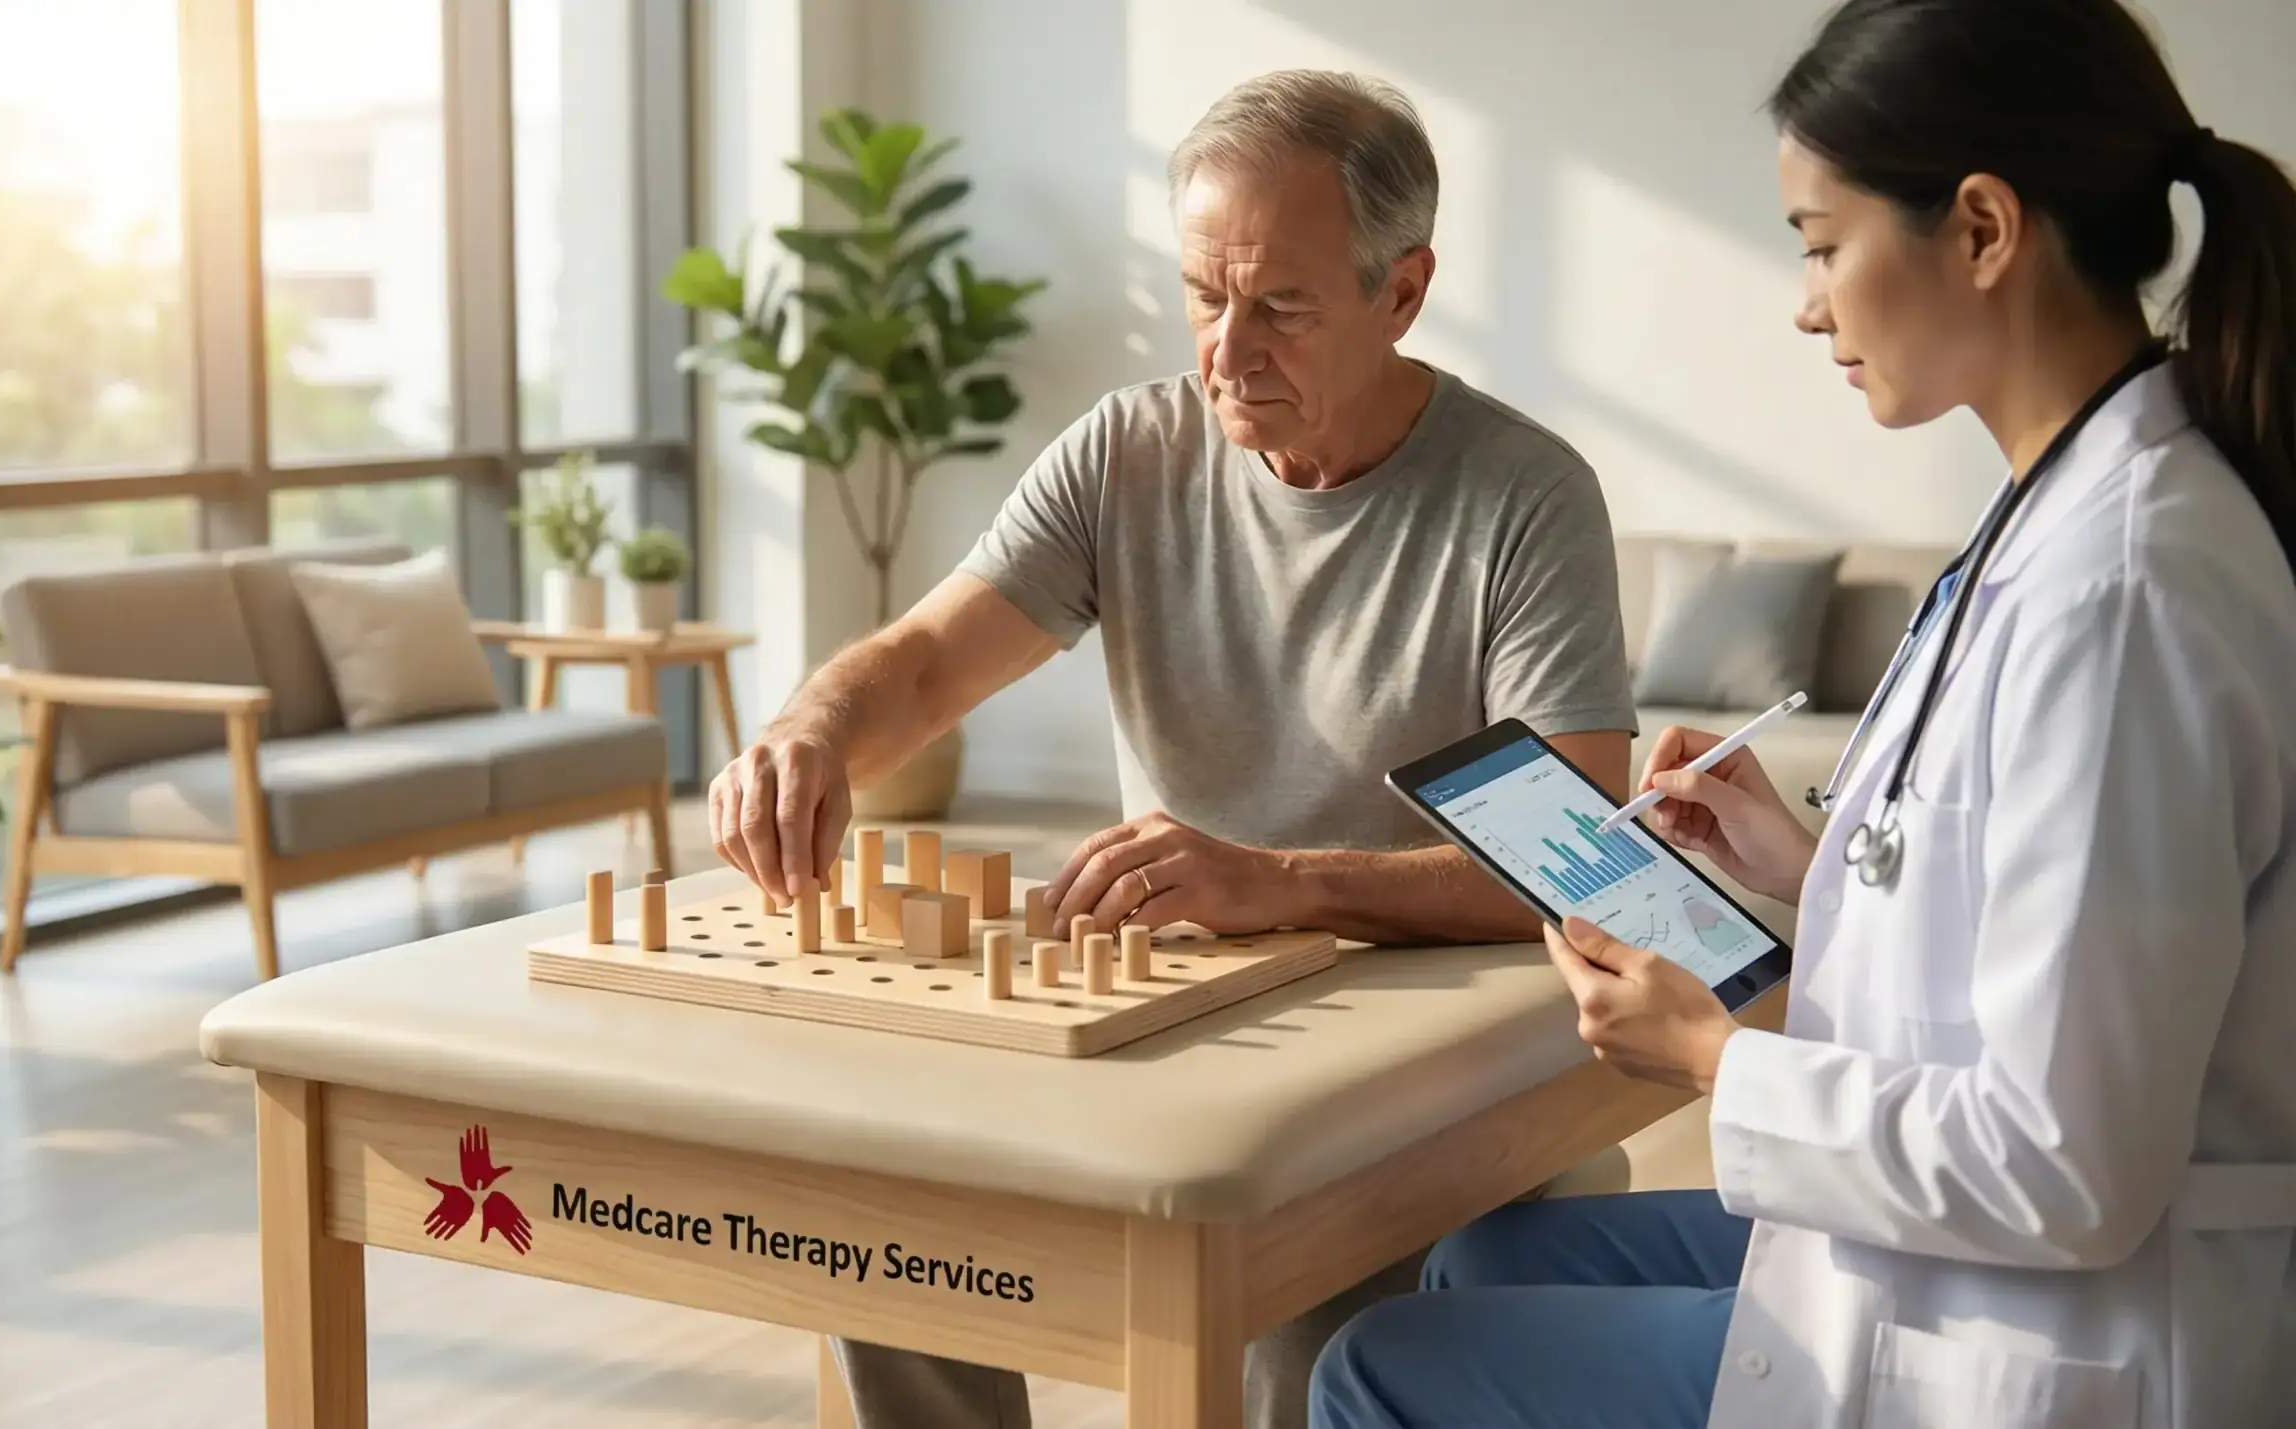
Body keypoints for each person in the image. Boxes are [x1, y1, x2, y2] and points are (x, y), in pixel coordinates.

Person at [1308, 1, 2296, 1427]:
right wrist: (1815, 860)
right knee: (1485, 1259)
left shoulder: (2123, 588)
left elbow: (2062, 1166)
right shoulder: (2057, 510)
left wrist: (1717, 1059)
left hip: (2046, 1328)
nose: (1807, 300)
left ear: (1980, 230)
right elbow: (2014, 902)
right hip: (1977, 1247)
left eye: (1824, 243)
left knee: (1379, 1373)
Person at [708, 70, 1638, 1429]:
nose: (1227, 350)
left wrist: (1279, 881)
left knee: (1300, 1348)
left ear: (1405, 291)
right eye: (1205, 295)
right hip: (1174, 1024)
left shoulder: (1525, 497)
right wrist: (810, 729)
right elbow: (918, 661)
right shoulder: (1127, 455)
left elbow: (1576, 858)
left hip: (1436, 1059)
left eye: (1282, 306)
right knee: (887, 1237)